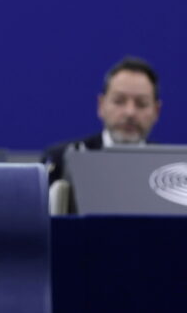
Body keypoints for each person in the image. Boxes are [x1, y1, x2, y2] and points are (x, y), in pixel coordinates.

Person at [42, 57, 161, 206]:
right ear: (101, 105)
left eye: (141, 104)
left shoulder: (168, 167)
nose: (130, 112)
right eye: (119, 101)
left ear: (156, 111)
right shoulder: (61, 159)